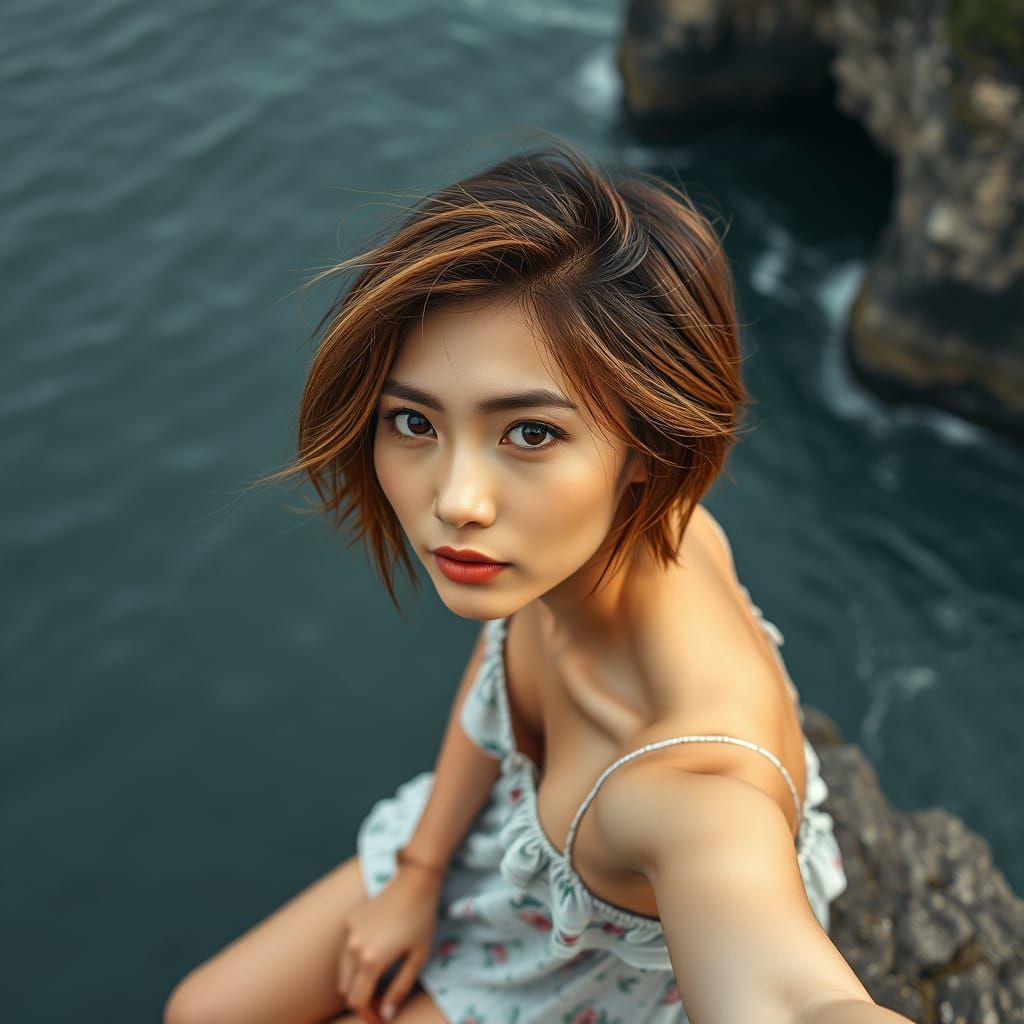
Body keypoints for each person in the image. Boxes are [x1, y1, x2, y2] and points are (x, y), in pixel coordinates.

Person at [164, 137, 915, 1024]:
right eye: (413, 420)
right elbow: (499, 683)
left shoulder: (694, 792)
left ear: (650, 447)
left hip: (591, 981)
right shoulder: (606, 544)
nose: (457, 501)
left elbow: (796, 998)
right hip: (502, 848)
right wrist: (420, 871)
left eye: (529, 434)